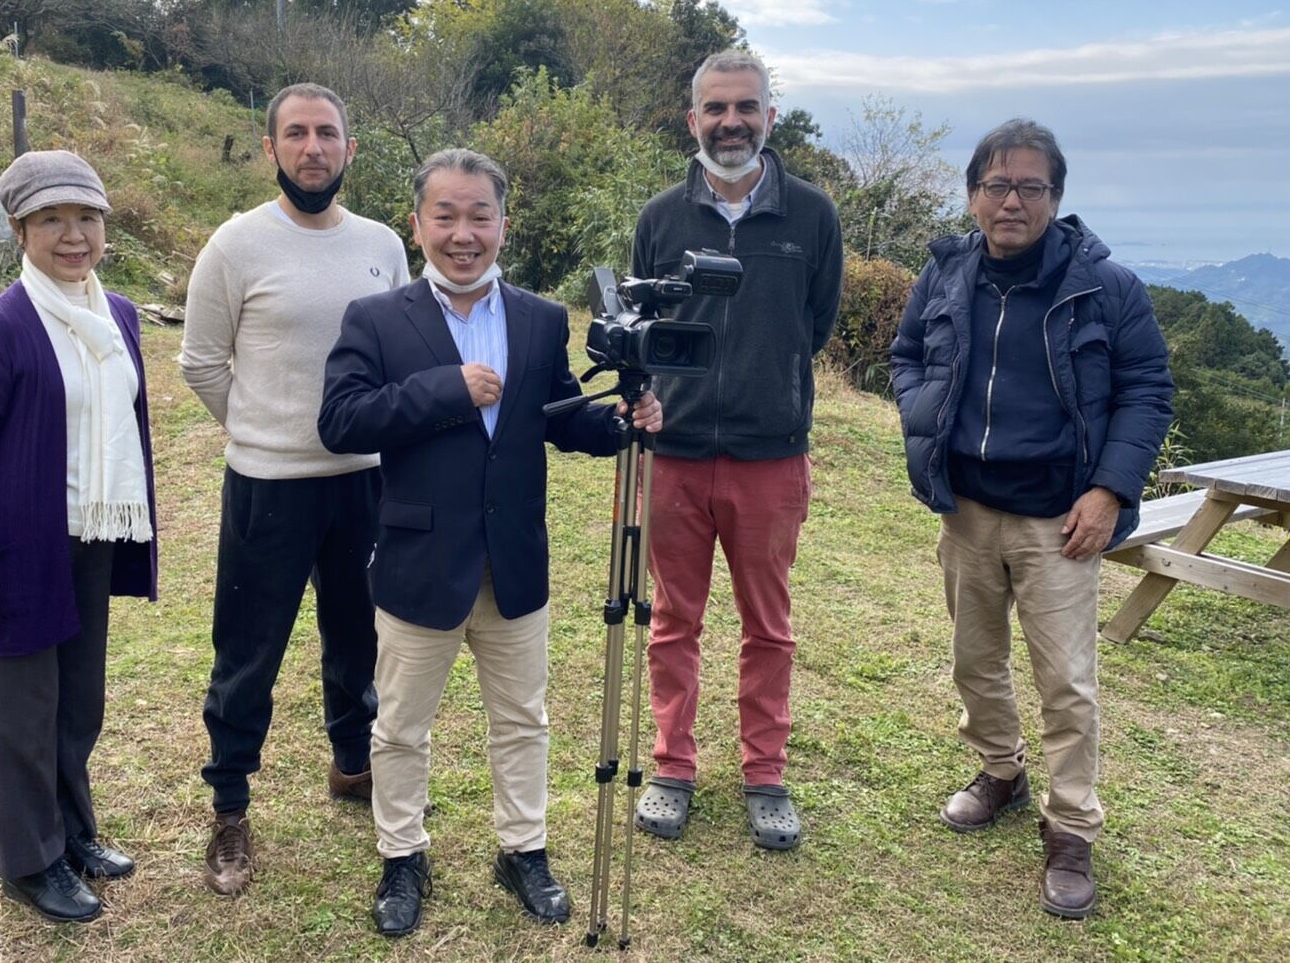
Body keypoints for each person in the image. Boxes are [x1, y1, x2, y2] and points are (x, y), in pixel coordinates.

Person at [318, 148, 662, 937]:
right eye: (446, 215)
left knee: (522, 720)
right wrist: (447, 389)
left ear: (504, 225)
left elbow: (559, 416)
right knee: (399, 727)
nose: (463, 233)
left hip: (513, 563)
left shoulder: (539, 318)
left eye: (480, 216)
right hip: (418, 563)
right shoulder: (377, 318)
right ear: (417, 224)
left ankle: (523, 849)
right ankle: (402, 855)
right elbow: (341, 421)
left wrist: (619, 423)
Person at [890, 118, 1173, 918]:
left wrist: (1110, 490)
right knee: (974, 660)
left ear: (1055, 197)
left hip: (1061, 517)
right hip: (968, 507)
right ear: (972, 195)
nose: (1011, 201)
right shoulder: (947, 273)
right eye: (997, 185)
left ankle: (1072, 827)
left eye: (1030, 187)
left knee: (1067, 683)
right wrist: (922, 411)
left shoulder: (1104, 286)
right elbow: (906, 355)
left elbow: (1147, 390)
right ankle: (1000, 771)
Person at [179, 83, 410, 895]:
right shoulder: (236, 245)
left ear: (351, 149)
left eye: (328, 134)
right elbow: (201, 362)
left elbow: (399, 357)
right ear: (271, 147)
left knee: (359, 640)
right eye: (297, 134)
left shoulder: (383, 245)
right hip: (268, 485)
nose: (314, 148)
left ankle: (352, 763)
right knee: (248, 653)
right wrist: (259, 428)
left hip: (364, 482)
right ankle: (230, 809)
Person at [0, 150, 158, 923]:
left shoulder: (118, 314)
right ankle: (32, 863)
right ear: (19, 229)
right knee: (23, 716)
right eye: (52, 219)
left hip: (90, 539)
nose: (74, 235)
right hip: (20, 550)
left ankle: (72, 833)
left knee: (77, 704)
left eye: (87, 218)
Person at [630, 49, 843, 850]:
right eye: (716, 108)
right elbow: (644, 326)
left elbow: (814, 325)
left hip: (770, 456)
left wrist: (764, 386)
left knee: (769, 628)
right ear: (693, 119)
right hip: (675, 453)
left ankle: (765, 774)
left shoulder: (812, 216)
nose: (731, 122)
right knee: (672, 622)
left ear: (769, 117)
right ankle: (673, 767)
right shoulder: (659, 218)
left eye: (746, 107)